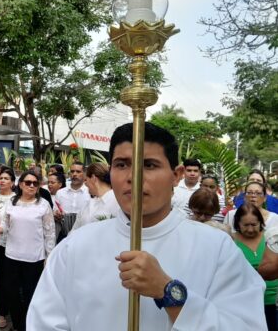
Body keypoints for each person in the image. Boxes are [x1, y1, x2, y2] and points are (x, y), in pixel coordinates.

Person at [27, 122, 266, 330]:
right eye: (122, 165)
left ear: (176, 174)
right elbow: (44, 323)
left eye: (149, 165)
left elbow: (246, 324)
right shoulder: (74, 248)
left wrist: (169, 292)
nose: (134, 176)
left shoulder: (217, 249)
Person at [0, 170, 55, 331]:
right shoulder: (12, 202)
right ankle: (18, 325)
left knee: (31, 296)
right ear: (21, 184)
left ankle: (29, 326)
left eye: (35, 183)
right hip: (11, 256)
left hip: (34, 259)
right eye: (28, 182)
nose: (31, 185)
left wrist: (49, 256)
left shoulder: (43, 205)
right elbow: (5, 225)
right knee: (12, 294)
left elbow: (50, 233)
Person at [232, 205, 278, 331]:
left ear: (261, 222)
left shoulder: (271, 238)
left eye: (254, 224)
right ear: (237, 223)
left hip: (272, 300)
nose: (251, 229)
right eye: (245, 225)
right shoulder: (230, 241)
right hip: (245, 303)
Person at [0, 167, 16, 328]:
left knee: (5, 278)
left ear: (13, 182)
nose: (2, 180)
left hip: (8, 243)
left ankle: (3, 312)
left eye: (6, 178)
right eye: (0, 178)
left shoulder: (16, 200)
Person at [72, 162, 119, 230]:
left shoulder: (117, 202)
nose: (85, 184)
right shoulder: (87, 205)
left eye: (86, 180)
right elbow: (74, 231)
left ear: (93, 178)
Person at [54, 162, 90, 237]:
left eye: (78, 171)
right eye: (72, 171)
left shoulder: (90, 193)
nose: (74, 174)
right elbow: (55, 210)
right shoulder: (60, 193)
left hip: (84, 234)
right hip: (63, 235)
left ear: (85, 174)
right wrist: (56, 214)